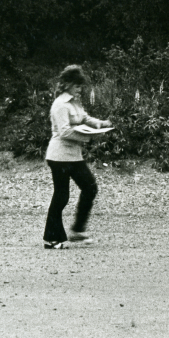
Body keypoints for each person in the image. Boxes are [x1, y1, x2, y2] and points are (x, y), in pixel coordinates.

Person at [42, 65, 111, 250]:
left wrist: (100, 124)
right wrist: (89, 137)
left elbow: (84, 118)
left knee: (90, 188)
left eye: (81, 86)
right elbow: (64, 132)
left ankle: (78, 230)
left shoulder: (75, 102)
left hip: (73, 156)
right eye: (77, 86)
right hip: (59, 156)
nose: (80, 90)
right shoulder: (60, 105)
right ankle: (51, 238)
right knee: (61, 196)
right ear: (67, 85)